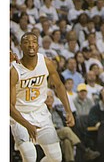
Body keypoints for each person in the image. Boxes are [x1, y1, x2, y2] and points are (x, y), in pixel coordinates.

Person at [10, 32, 75, 162]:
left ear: (38, 46)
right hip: (20, 116)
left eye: (34, 41)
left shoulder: (46, 63)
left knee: (56, 158)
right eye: (26, 42)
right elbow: (9, 107)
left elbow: (59, 86)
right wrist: (27, 125)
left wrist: (68, 111)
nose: (30, 45)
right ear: (20, 47)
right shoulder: (14, 71)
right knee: (30, 157)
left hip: (41, 113)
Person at [45, 89, 100, 162]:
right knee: (67, 130)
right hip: (49, 132)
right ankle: (85, 150)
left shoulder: (57, 110)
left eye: (51, 97)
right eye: (47, 97)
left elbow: (64, 121)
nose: (49, 99)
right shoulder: (43, 111)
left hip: (60, 133)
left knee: (67, 141)